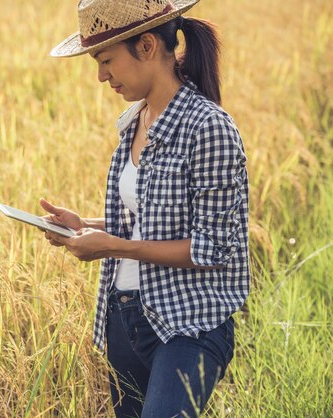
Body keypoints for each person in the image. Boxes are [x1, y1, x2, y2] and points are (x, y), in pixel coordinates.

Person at [41, 0, 250, 416]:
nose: (101, 76)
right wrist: (84, 225)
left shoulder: (209, 128)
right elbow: (149, 218)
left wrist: (112, 247)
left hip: (188, 325)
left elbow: (212, 248)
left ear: (148, 46)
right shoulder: (134, 121)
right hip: (125, 317)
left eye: (105, 60)